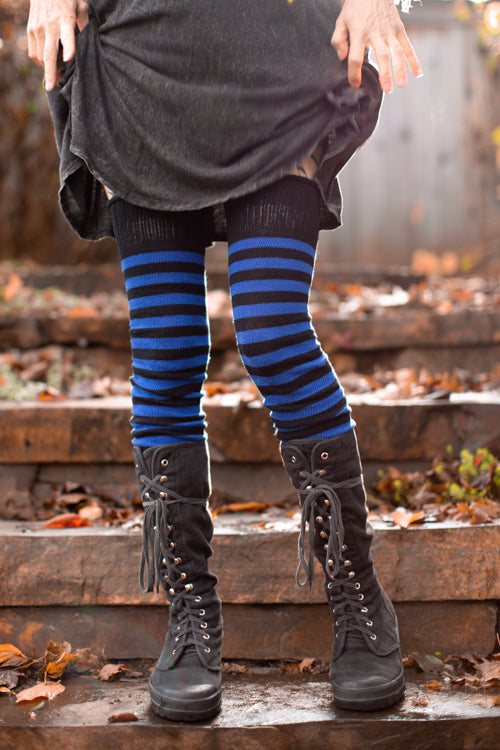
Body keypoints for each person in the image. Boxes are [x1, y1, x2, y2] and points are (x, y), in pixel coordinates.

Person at [27, 0, 422, 723]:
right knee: (167, 350)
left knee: (272, 332)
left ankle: (357, 592)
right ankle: (191, 610)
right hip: (142, 70)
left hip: (279, 60)